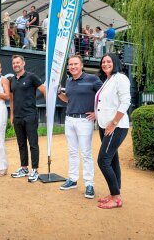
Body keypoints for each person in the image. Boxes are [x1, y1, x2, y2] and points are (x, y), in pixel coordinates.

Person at [57, 55, 103, 199]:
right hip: (69, 120)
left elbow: (104, 95)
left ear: (81, 65)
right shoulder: (69, 81)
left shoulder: (92, 79)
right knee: (72, 152)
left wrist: (97, 113)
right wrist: (59, 93)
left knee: (86, 153)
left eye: (75, 64)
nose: (73, 67)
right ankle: (72, 179)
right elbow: (68, 99)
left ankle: (89, 184)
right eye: (70, 64)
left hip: (85, 121)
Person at [95, 53, 131, 209]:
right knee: (112, 160)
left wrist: (114, 123)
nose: (105, 64)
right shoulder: (108, 80)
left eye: (109, 61)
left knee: (103, 161)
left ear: (115, 62)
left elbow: (126, 102)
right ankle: (114, 192)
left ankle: (116, 198)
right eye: (103, 62)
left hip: (116, 127)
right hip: (105, 127)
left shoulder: (120, 78)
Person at [10, 55, 46, 182]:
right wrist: (12, 115)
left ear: (23, 63)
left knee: (33, 143)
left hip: (30, 116)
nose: (16, 65)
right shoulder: (12, 80)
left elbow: (45, 91)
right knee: (21, 144)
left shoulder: (32, 77)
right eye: (14, 63)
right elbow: (12, 99)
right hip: (18, 117)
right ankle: (24, 168)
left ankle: (34, 170)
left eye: (18, 62)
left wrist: (48, 109)